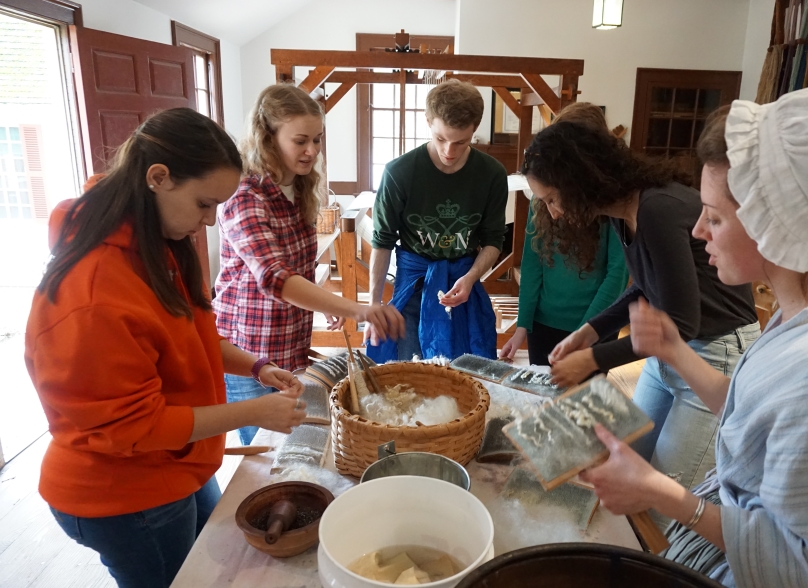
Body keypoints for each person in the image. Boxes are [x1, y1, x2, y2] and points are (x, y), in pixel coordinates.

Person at [581, 74, 808, 587]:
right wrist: (675, 351)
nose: (698, 231)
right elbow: (759, 414)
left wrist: (663, 494)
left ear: (779, 223)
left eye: (714, 217)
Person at [25, 108, 308, 588]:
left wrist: (257, 365)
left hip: (175, 463)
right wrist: (252, 412)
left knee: (202, 569)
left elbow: (192, 336)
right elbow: (137, 425)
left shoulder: (155, 244)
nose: (209, 221)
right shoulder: (94, 292)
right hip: (121, 493)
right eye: (203, 204)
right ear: (158, 178)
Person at [521, 118, 760, 498]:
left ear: (578, 180)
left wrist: (594, 359)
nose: (553, 213)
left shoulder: (656, 209)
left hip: (715, 353)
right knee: (627, 469)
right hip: (667, 351)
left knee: (664, 499)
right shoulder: (623, 210)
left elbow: (682, 322)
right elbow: (646, 286)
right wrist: (591, 331)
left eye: (552, 199)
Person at [214, 84, 404, 445]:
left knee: (290, 439)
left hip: (289, 342)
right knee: (262, 452)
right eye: (300, 140)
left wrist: (324, 298)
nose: (312, 151)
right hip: (247, 351)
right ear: (268, 137)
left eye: (317, 140)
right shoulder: (246, 196)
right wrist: (356, 309)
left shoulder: (299, 187)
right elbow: (275, 277)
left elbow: (296, 268)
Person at [366, 79, 508, 362]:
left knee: (467, 372)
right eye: (441, 138)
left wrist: (470, 278)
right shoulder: (399, 172)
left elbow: (493, 240)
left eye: (461, 142)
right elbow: (382, 242)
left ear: (475, 129)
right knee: (410, 372)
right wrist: (373, 306)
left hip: (464, 282)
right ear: (428, 121)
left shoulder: (491, 173)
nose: (449, 152)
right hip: (414, 283)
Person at [500, 102, 629, 365]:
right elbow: (532, 263)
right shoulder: (542, 197)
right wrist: (523, 325)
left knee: (582, 403)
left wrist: (584, 333)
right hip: (544, 323)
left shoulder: (615, 203)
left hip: (595, 324)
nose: (555, 209)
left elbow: (617, 275)